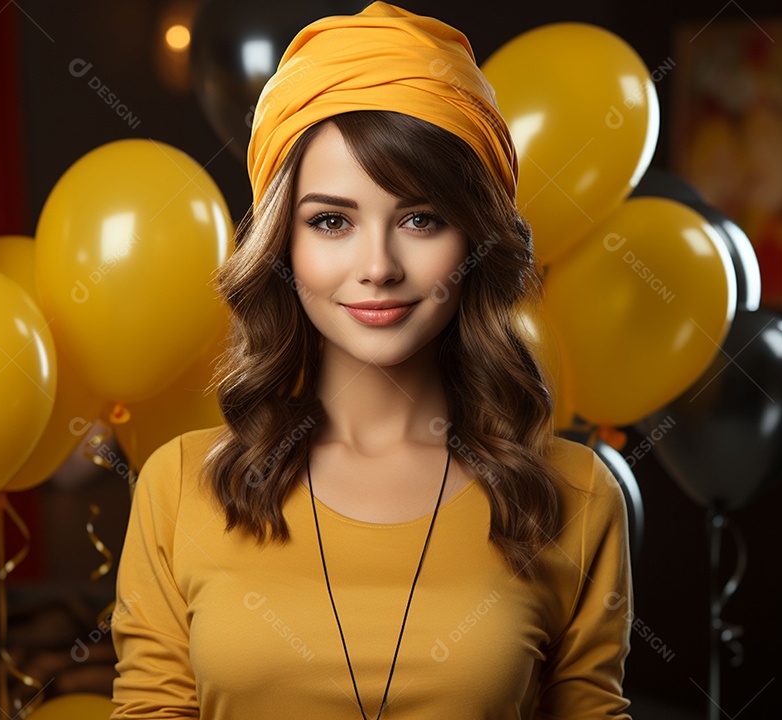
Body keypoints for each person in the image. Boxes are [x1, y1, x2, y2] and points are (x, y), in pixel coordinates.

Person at [109, 2, 633, 718]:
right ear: (282, 247)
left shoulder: (575, 495)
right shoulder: (176, 490)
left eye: (421, 219)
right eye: (332, 221)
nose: (378, 266)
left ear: (474, 241)